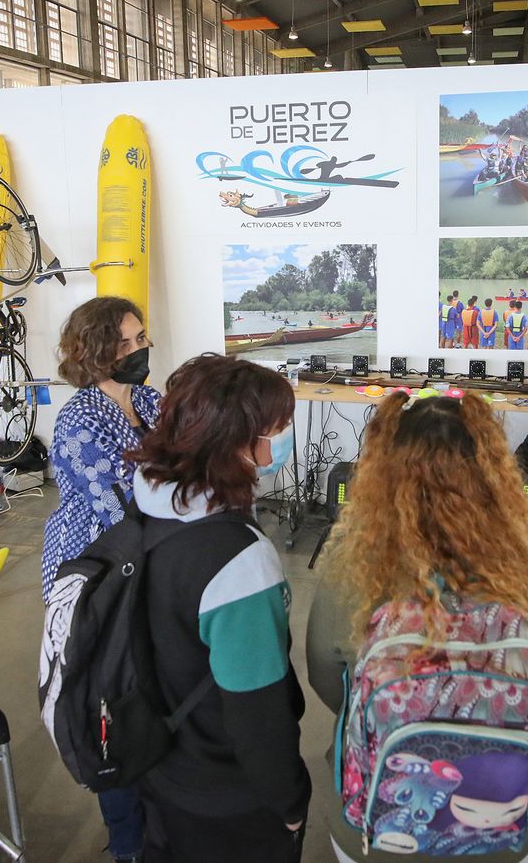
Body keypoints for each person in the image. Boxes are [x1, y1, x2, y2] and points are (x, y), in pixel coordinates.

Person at [306, 393, 528, 863]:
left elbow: (327, 680)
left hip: (378, 824)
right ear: (495, 473)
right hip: (500, 826)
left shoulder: (350, 566)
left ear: (382, 471)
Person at [126, 353, 311, 863]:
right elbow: (257, 714)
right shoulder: (240, 565)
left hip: (160, 767)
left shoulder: (145, 507)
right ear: (238, 443)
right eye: (277, 430)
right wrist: (288, 802)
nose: (282, 440)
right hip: (226, 797)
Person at [41, 296, 157, 863]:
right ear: (94, 352)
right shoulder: (79, 420)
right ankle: (127, 842)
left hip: (145, 560)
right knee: (108, 700)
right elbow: (122, 505)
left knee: (148, 692)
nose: (140, 350)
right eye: (128, 342)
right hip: (96, 570)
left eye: (142, 339)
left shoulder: (150, 400)